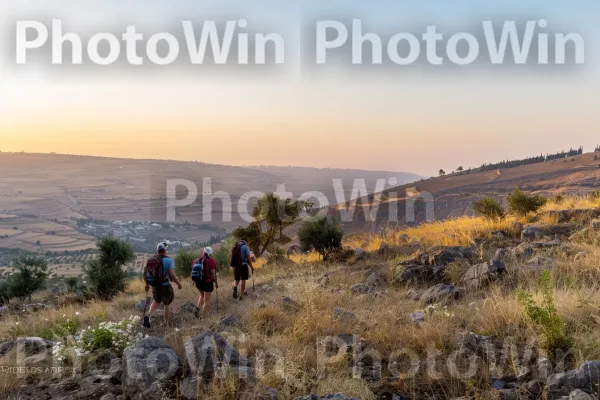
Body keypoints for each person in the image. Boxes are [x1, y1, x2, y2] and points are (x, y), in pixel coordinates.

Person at [143, 242, 183, 328]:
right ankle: (166, 323)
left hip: (154, 285)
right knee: (166, 303)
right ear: (165, 250)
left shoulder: (151, 260)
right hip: (164, 285)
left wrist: (147, 285)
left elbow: (146, 273)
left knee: (157, 301)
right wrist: (179, 284)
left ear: (158, 250)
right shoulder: (168, 260)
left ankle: (149, 315)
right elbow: (172, 275)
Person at [193, 247, 218, 318]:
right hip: (207, 283)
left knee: (202, 295)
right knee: (206, 301)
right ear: (210, 253)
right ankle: (204, 318)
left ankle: (197, 310)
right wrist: (216, 283)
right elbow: (213, 275)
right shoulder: (211, 261)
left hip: (198, 283)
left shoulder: (196, 260)